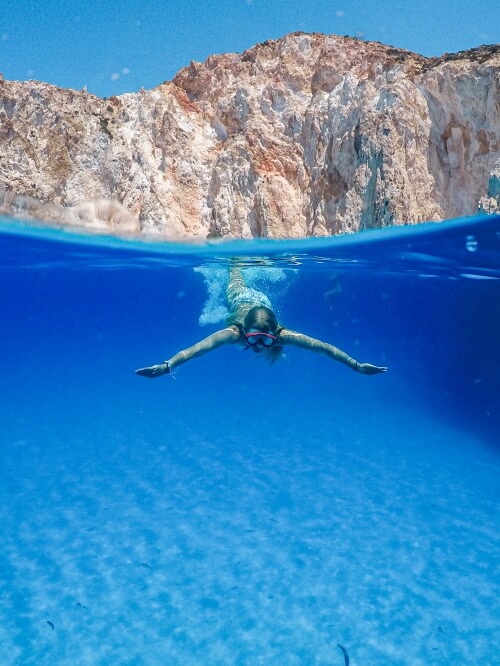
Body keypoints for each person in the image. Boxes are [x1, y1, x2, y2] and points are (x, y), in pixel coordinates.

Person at [135, 266, 387, 378]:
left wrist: (356, 366)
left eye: (265, 340)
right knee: (235, 276)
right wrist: (167, 366)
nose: (258, 344)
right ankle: (236, 262)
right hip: (240, 296)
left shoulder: (281, 334)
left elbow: (322, 347)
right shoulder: (234, 332)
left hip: (262, 303)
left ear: (274, 334)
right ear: (244, 330)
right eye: (254, 338)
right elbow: (196, 350)